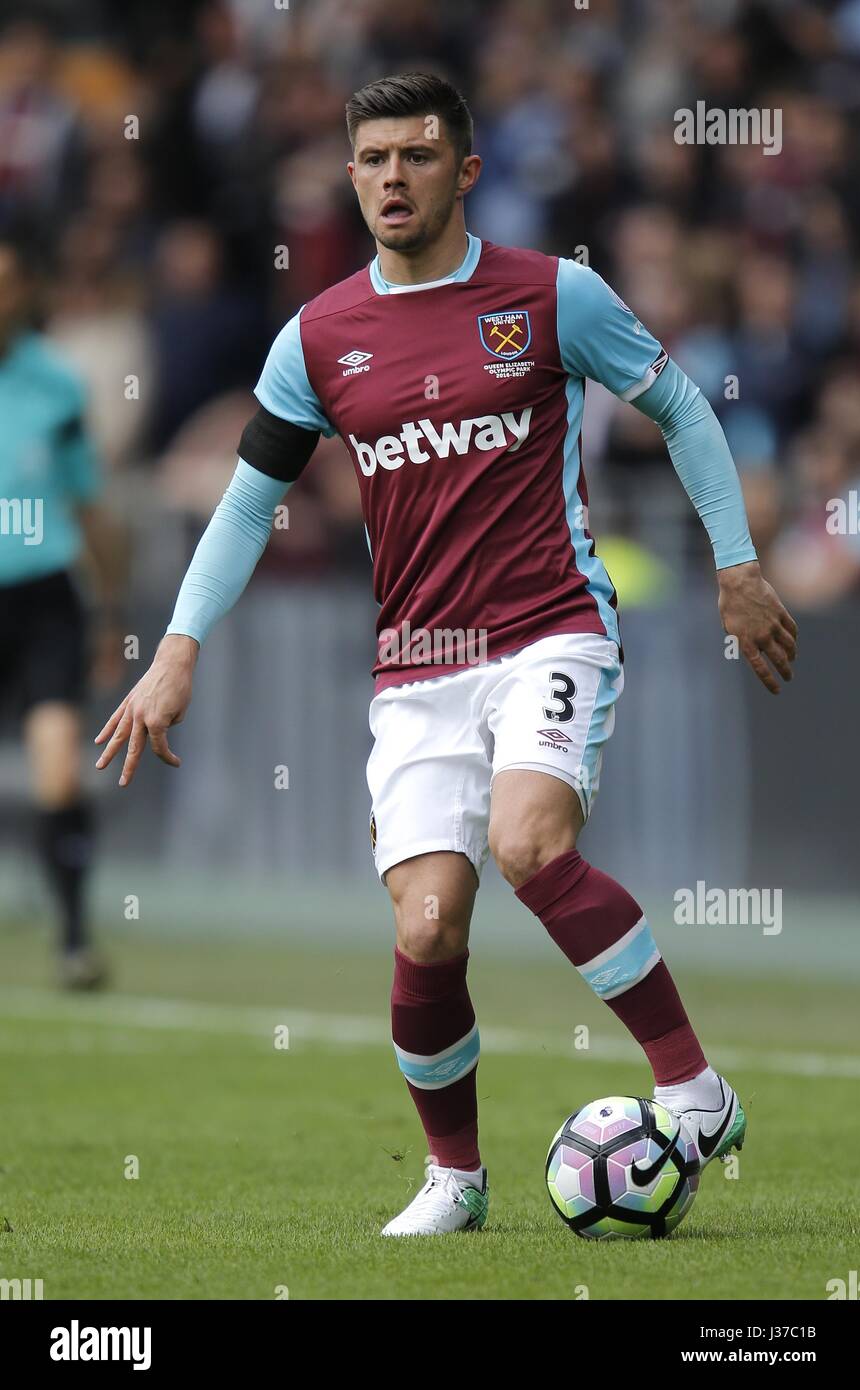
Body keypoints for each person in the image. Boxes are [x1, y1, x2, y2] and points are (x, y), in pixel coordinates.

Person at [94, 73, 798, 1235]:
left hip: (548, 625)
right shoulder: (316, 338)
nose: (389, 179)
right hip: (416, 664)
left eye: (415, 157)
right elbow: (241, 505)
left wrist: (733, 563)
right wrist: (176, 650)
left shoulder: (550, 296)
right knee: (426, 926)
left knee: (528, 841)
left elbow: (679, 404)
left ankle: (689, 1085)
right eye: (370, 160)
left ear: (463, 171)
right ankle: (454, 1179)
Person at [0, 238, 125, 988]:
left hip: (45, 598)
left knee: (56, 770)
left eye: (9, 283)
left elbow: (91, 505)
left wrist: (109, 612)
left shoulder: (56, 384)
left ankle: (74, 937)